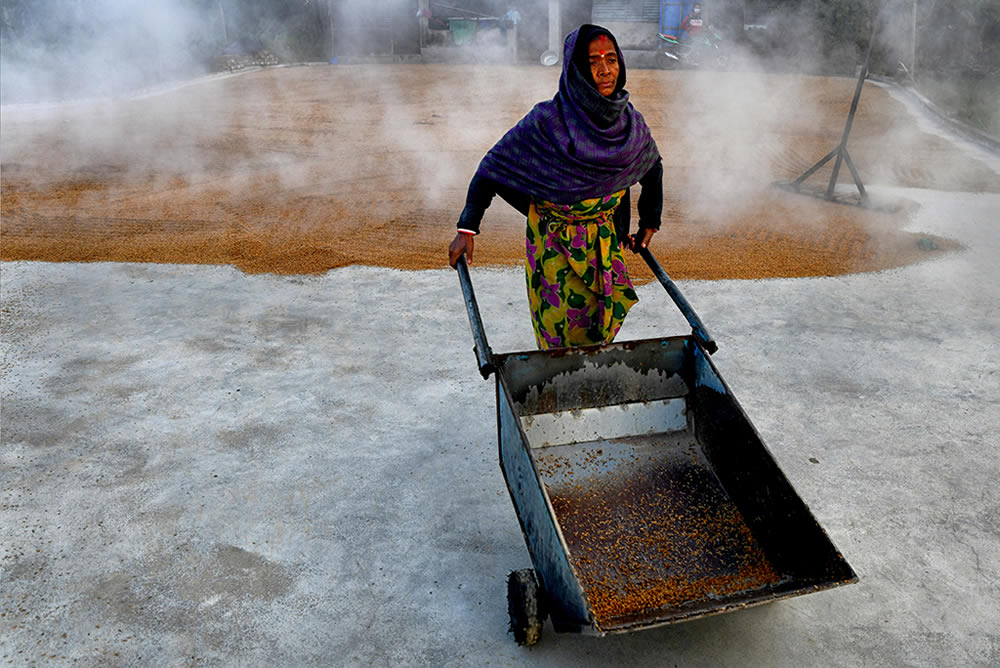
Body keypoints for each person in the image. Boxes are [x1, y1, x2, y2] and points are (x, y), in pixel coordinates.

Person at [448, 24, 663, 350]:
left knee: (601, 333)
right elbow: (492, 169)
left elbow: (651, 166)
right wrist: (467, 228)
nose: (605, 71)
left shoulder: (629, 123)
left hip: (605, 247)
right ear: (576, 69)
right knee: (563, 342)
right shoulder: (547, 122)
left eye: (612, 59)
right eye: (592, 62)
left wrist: (649, 222)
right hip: (556, 251)